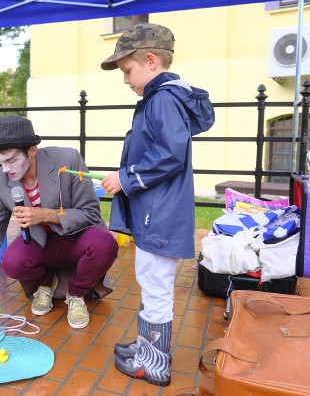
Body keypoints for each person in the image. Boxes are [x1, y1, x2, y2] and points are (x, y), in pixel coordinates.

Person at [100, 23, 215, 386]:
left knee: (155, 285)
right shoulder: (162, 98)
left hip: (159, 214)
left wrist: (126, 178)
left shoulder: (162, 99)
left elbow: (169, 155)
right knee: (150, 281)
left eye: (127, 71)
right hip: (157, 210)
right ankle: (146, 349)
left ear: (150, 60)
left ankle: (154, 363)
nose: (125, 80)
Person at [0, 115, 118, 329]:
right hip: (41, 244)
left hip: (77, 239)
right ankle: (46, 284)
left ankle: (76, 294)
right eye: (0, 162)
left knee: (105, 243)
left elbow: (91, 213)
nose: (5, 170)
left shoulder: (68, 159)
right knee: (11, 261)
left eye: (10, 161)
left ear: (32, 150)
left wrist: (46, 215)